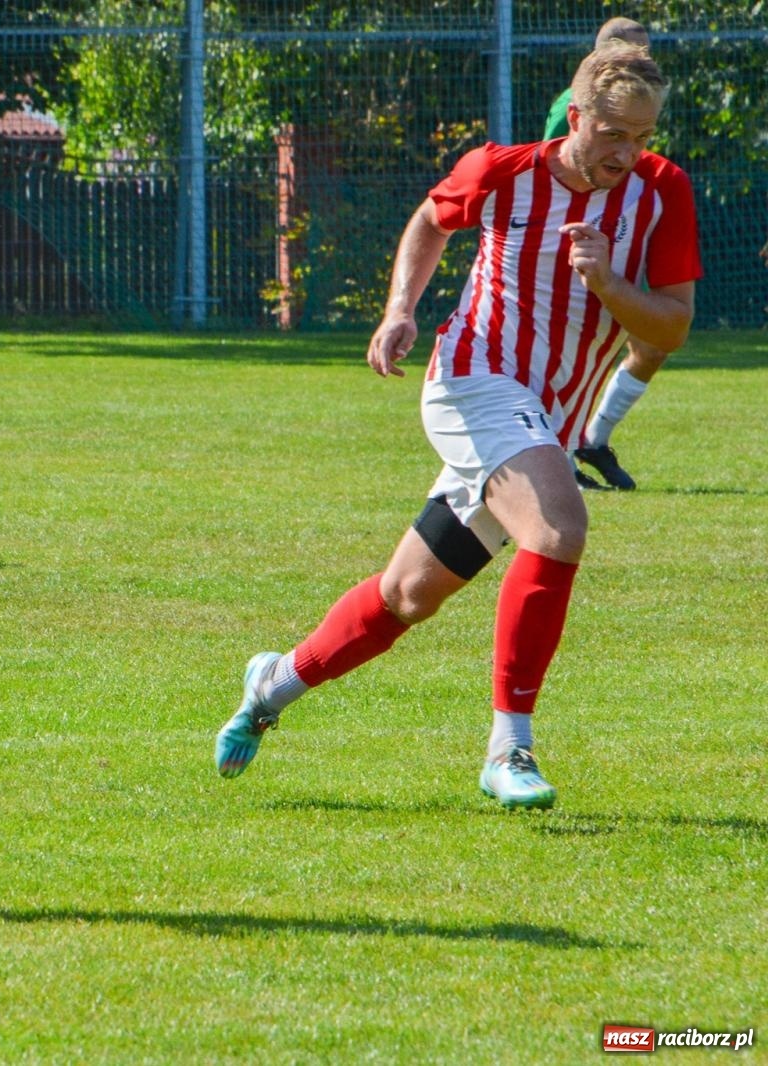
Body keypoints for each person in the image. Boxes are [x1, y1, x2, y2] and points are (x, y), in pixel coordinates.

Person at [214, 44, 698, 809]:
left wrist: (607, 282)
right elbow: (431, 220)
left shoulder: (664, 191)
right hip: (473, 382)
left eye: (642, 136)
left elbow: (669, 331)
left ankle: (270, 687)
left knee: (407, 595)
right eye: (613, 132)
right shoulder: (502, 170)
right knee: (558, 527)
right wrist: (400, 309)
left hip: (544, 423)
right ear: (576, 118)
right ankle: (510, 748)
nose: (628, 152)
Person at [545, 17, 660, 491]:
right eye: (631, 52)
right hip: (575, 249)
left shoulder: (642, 105)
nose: (643, 61)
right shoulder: (573, 109)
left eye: (647, 53)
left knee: (652, 344)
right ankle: (556, 453)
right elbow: (553, 175)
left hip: (623, 242)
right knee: (563, 351)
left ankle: (591, 440)